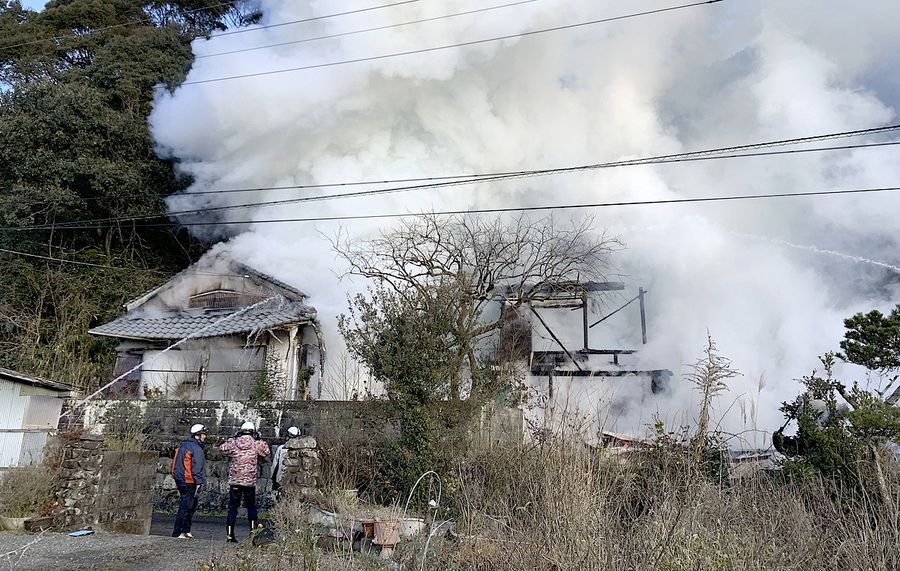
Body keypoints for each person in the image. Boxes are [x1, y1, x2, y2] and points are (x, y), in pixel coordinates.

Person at [219, 421, 270, 543]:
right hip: (249, 482)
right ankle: (253, 534)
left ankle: (230, 535)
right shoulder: (256, 443)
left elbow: (222, 449)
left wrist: (232, 439)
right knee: (251, 506)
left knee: (233, 507)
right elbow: (266, 452)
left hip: (235, 481)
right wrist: (259, 439)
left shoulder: (234, 442)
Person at [171, 423, 207, 539]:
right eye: (203, 434)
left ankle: (186, 530)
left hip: (181, 479)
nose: (205, 436)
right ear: (198, 435)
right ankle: (178, 532)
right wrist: (199, 482)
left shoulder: (184, 445)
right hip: (189, 480)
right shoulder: (197, 448)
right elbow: (197, 467)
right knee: (187, 506)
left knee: (188, 505)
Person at [271, 426, 300, 493]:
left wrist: (272, 477)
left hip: (280, 479)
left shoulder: (281, 448)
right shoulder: (299, 451)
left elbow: (274, 465)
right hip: (294, 480)